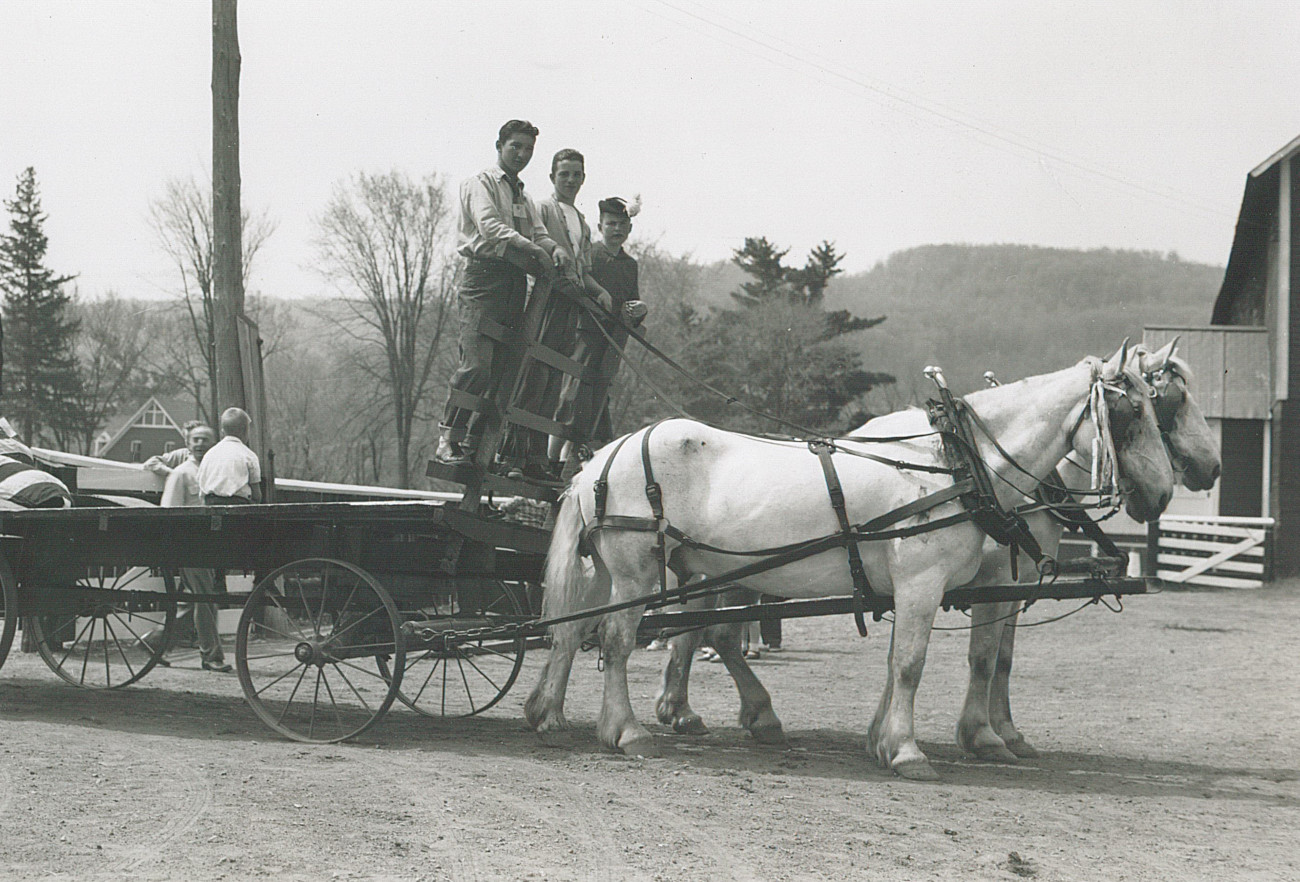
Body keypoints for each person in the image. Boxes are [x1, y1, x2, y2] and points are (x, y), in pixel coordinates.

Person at [435, 120, 572, 470]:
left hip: (515, 283)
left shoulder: (523, 195)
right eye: (516, 146)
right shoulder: (479, 183)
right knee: (477, 365)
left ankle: (476, 446)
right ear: (500, 146)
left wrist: (553, 249)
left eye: (528, 149)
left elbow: (539, 233)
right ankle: (447, 438)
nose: (522, 154)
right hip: (483, 280)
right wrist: (534, 249)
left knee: (502, 372)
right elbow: (490, 226)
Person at [507, 148, 613, 479]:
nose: (570, 180)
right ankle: (513, 456)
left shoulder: (580, 221)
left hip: (571, 306)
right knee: (532, 378)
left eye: (576, 174)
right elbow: (535, 251)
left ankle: (537, 459)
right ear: (553, 177)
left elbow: (583, 272)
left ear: (583, 178)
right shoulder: (541, 208)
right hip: (544, 301)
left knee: (553, 381)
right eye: (564, 174)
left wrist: (599, 291)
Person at [553, 195, 646, 475]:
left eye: (622, 224)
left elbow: (632, 301)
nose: (616, 229)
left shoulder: (630, 265)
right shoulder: (590, 256)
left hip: (612, 342)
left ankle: (572, 464)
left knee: (596, 398)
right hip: (585, 334)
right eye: (611, 224)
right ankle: (551, 458)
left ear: (629, 229)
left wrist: (639, 309)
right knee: (572, 396)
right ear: (600, 226)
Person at [144, 422, 232, 672]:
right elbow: (168, 512)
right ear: (188, 444)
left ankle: (154, 644)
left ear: (214, 444)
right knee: (205, 600)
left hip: (209, 544)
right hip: (189, 544)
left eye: (206, 440)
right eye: (196, 440)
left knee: (190, 602)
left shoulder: (215, 472)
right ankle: (211, 656)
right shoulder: (180, 473)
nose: (200, 444)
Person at [197, 407, 262, 505]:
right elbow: (256, 494)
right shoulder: (248, 455)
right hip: (238, 508)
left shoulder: (209, 454)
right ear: (245, 431)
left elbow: (201, 486)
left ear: (222, 432)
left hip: (211, 506)